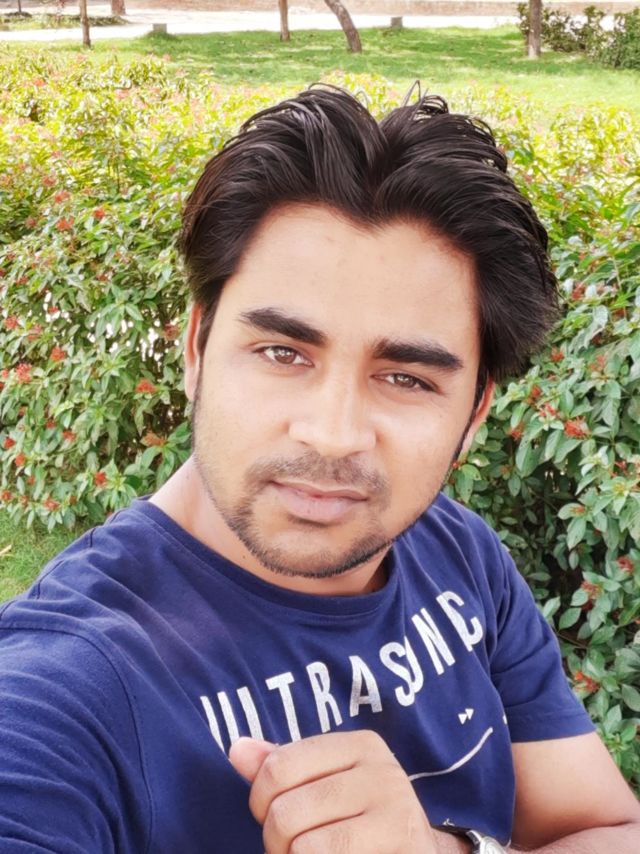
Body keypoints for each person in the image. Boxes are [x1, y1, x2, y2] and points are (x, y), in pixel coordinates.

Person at [0, 87, 638, 854]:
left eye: (406, 378)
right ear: (196, 349)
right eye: (282, 353)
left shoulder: (459, 556)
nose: (333, 436)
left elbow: (608, 827)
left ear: (474, 414)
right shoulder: (60, 694)